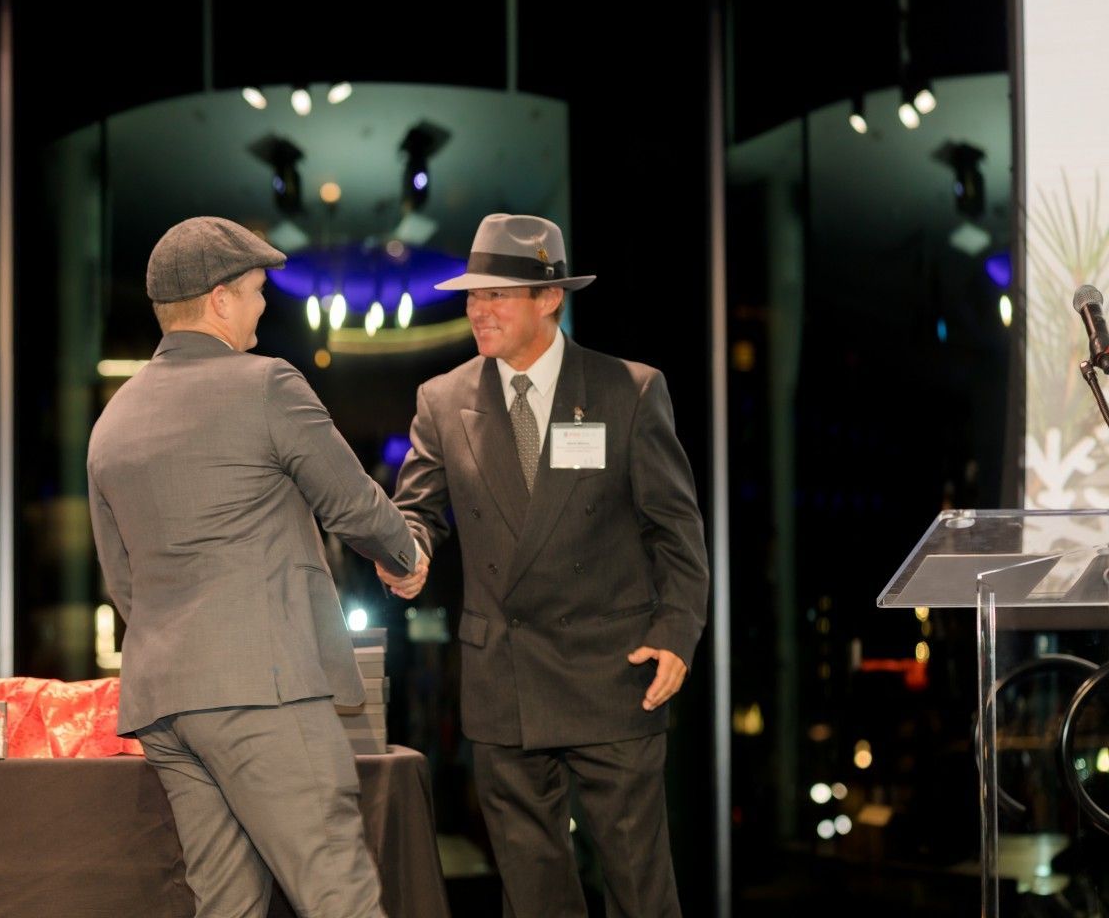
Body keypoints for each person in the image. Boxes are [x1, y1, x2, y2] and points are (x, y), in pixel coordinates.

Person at [87, 216, 426, 918]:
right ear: (218, 299)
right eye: (254, 290)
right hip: (261, 691)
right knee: (340, 896)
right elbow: (352, 503)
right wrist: (406, 554)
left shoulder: (111, 422)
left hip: (165, 704)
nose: (264, 305)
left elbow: (123, 582)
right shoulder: (266, 384)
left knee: (227, 907)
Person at [381, 213, 709, 917]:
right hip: (504, 681)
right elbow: (418, 512)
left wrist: (677, 636)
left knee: (640, 892)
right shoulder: (443, 401)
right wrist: (407, 556)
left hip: (615, 676)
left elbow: (677, 533)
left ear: (549, 298)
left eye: (496, 294)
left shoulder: (629, 391)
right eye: (472, 296)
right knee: (533, 898)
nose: (478, 310)